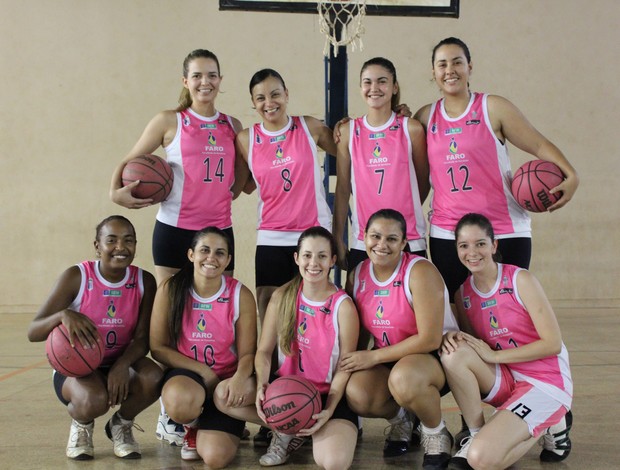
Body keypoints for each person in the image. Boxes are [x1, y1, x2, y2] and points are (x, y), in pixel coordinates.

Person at [109, 48, 247, 445]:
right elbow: (129, 162)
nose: (206, 82)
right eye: (198, 75)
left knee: (218, 316)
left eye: (213, 75)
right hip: (173, 229)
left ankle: (210, 401)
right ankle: (171, 413)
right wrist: (116, 194)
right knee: (171, 319)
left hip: (218, 233)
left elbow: (239, 181)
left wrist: (218, 198)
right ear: (185, 81)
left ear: (221, 80)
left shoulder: (232, 124)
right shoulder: (169, 120)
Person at [413, 37, 579, 303]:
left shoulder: (493, 107)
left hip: (503, 228)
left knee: (508, 308)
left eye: (458, 62)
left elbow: (537, 143)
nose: (450, 70)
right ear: (433, 72)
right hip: (448, 232)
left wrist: (571, 174)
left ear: (470, 66)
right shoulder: (424, 117)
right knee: (459, 312)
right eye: (442, 64)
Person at [235, 68, 337, 446]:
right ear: (253, 104)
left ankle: (327, 403)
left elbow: (352, 148)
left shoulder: (309, 127)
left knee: (321, 322)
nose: (269, 103)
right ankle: (278, 406)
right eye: (260, 98)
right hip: (272, 237)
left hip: (314, 233)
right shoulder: (247, 138)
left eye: (275, 94)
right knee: (273, 323)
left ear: (287, 93)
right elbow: (240, 185)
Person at [216, 227, 360, 469]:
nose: (313, 263)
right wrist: (262, 383)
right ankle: (285, 430)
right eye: (307, 255)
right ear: (296, 258)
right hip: (285, 390)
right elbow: (263, 351)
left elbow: (346, 365)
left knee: (334, 463)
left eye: (322, 256)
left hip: (327, 396)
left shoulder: (343, 306)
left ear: (333, 261)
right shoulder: (283, 296)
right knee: (224, 395)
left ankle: (310, 428)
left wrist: (330, 408)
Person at [440, 213, 573, 469]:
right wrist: (452, 336)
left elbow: (552, 343)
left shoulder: (520, 279)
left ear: (494, 245)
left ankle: (550, 423)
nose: (472, 252)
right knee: (453, 351)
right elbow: (475, 347)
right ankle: (476, 435)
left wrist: (496, 357)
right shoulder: (464, 293)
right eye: (464, 245)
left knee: (482, 460)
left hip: (544, 382)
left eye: (480, 243)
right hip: (507, 379)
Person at [27, 215, 161, 460]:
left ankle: (121, 424)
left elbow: (142, 338)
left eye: (128, 240)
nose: (121, 247)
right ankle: (81, 425)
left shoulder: (144, 281)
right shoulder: (76, 277)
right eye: (112, 240)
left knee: (154, 378)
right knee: (94, 400)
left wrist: (122, 365)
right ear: (97, 246)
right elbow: (33, 331)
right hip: (77, 367)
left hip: (120, 360)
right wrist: (63, 315)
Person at [341, 209, 459, 470]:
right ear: (364, 237)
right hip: (390, 358)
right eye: (375, 236)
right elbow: (358, 335)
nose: (382, 245)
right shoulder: (358, 274)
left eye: (392, 239)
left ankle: (436, 432)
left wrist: (372, 356)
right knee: (357, 392)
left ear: (404, 243)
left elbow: (429, 339)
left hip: (433, 359)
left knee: (403, 379)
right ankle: (403, 420)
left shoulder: (419, 271)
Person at [149, 226, 257, 467]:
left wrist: (240, 378)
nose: (211, 258)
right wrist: (203, 371)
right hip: (188, 376)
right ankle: (192, 426)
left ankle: (228, 424)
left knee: (215, 459)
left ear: (228, 259)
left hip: (227, 381)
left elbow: (248, 352)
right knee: (180, 400)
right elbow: (158, 347)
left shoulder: (241, 295)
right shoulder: (171, 289)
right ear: (191, 255)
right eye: (204, 250)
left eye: (220, 253)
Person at [333, 57, 429, 272]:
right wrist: (338, 237)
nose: (374, 88)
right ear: (360, 87)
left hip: (409, 238)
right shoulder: (348, 131)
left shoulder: (411, 129)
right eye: (367, 82)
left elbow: (423, 182)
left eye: (382, 81)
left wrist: (400, 214)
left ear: (394, 87)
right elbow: (342, 189)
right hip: (363, 240)